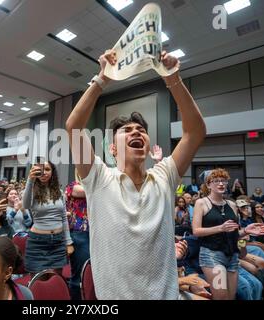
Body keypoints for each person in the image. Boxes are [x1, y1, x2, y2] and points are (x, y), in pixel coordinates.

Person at [66, 49, 206, 300]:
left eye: (141, 129)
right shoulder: (98, 178)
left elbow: (194, 132)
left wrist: (173, 78)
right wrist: (102, 79)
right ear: (111, 148)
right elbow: (74, 127)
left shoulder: (164, 175)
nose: (136, 133)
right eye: (127, 130)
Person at [192, 169, 264, 300]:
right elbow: (196, 231)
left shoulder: (232, 205)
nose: (221, 184)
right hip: (212, 255)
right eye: (216, 181)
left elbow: (232, 233)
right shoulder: (201, 203)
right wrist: (220, 228)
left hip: (232, 256)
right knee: (221, 297)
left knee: (230, 297)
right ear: (209, 185)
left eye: (224, 181)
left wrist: (245, 231)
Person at [22, 161, 73, 275]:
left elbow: (64, 218)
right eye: (41, 169)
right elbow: (25, 205)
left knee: (56, 279)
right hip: (37, 242)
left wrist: (68, 242)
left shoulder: (59, 192)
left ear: (52, 172)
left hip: (58, 241)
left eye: (48, 169)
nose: (44, 173)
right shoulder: (32, 190)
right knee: (38, 281)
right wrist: (30, 180)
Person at [65, 173, 90, 300]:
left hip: (93, 233)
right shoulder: (72, 186)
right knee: (79, 275)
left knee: (90, 273)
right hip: (79, 233)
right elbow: (88, 191)